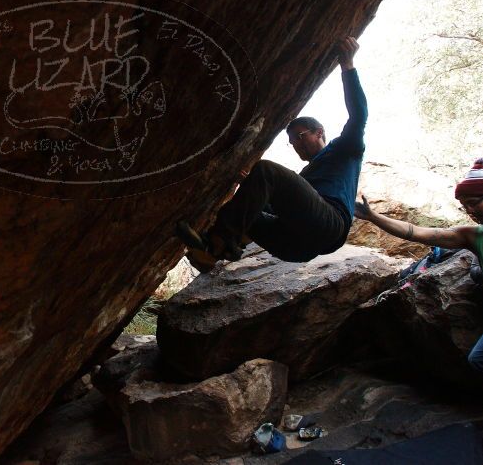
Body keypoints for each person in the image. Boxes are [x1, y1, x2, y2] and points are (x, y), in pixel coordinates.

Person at [177, 37, 367, 271]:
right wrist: (251, 187)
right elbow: (274, 207)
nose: (296, 145)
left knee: (267, 170)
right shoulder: (307, 177)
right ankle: (210, 254)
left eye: (300, 136)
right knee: (251, 211)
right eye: (291, 142)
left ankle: (217, 243)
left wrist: (347, 66)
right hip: (296, 246)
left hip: (329, 225)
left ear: (319, 132)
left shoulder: (343, 150)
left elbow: (358, 116)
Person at [353, 157, 483, 370]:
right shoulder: (473, 236)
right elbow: (415, 232)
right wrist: (373, 217)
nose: (470, 211)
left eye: (474, 202)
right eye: (465, 206)